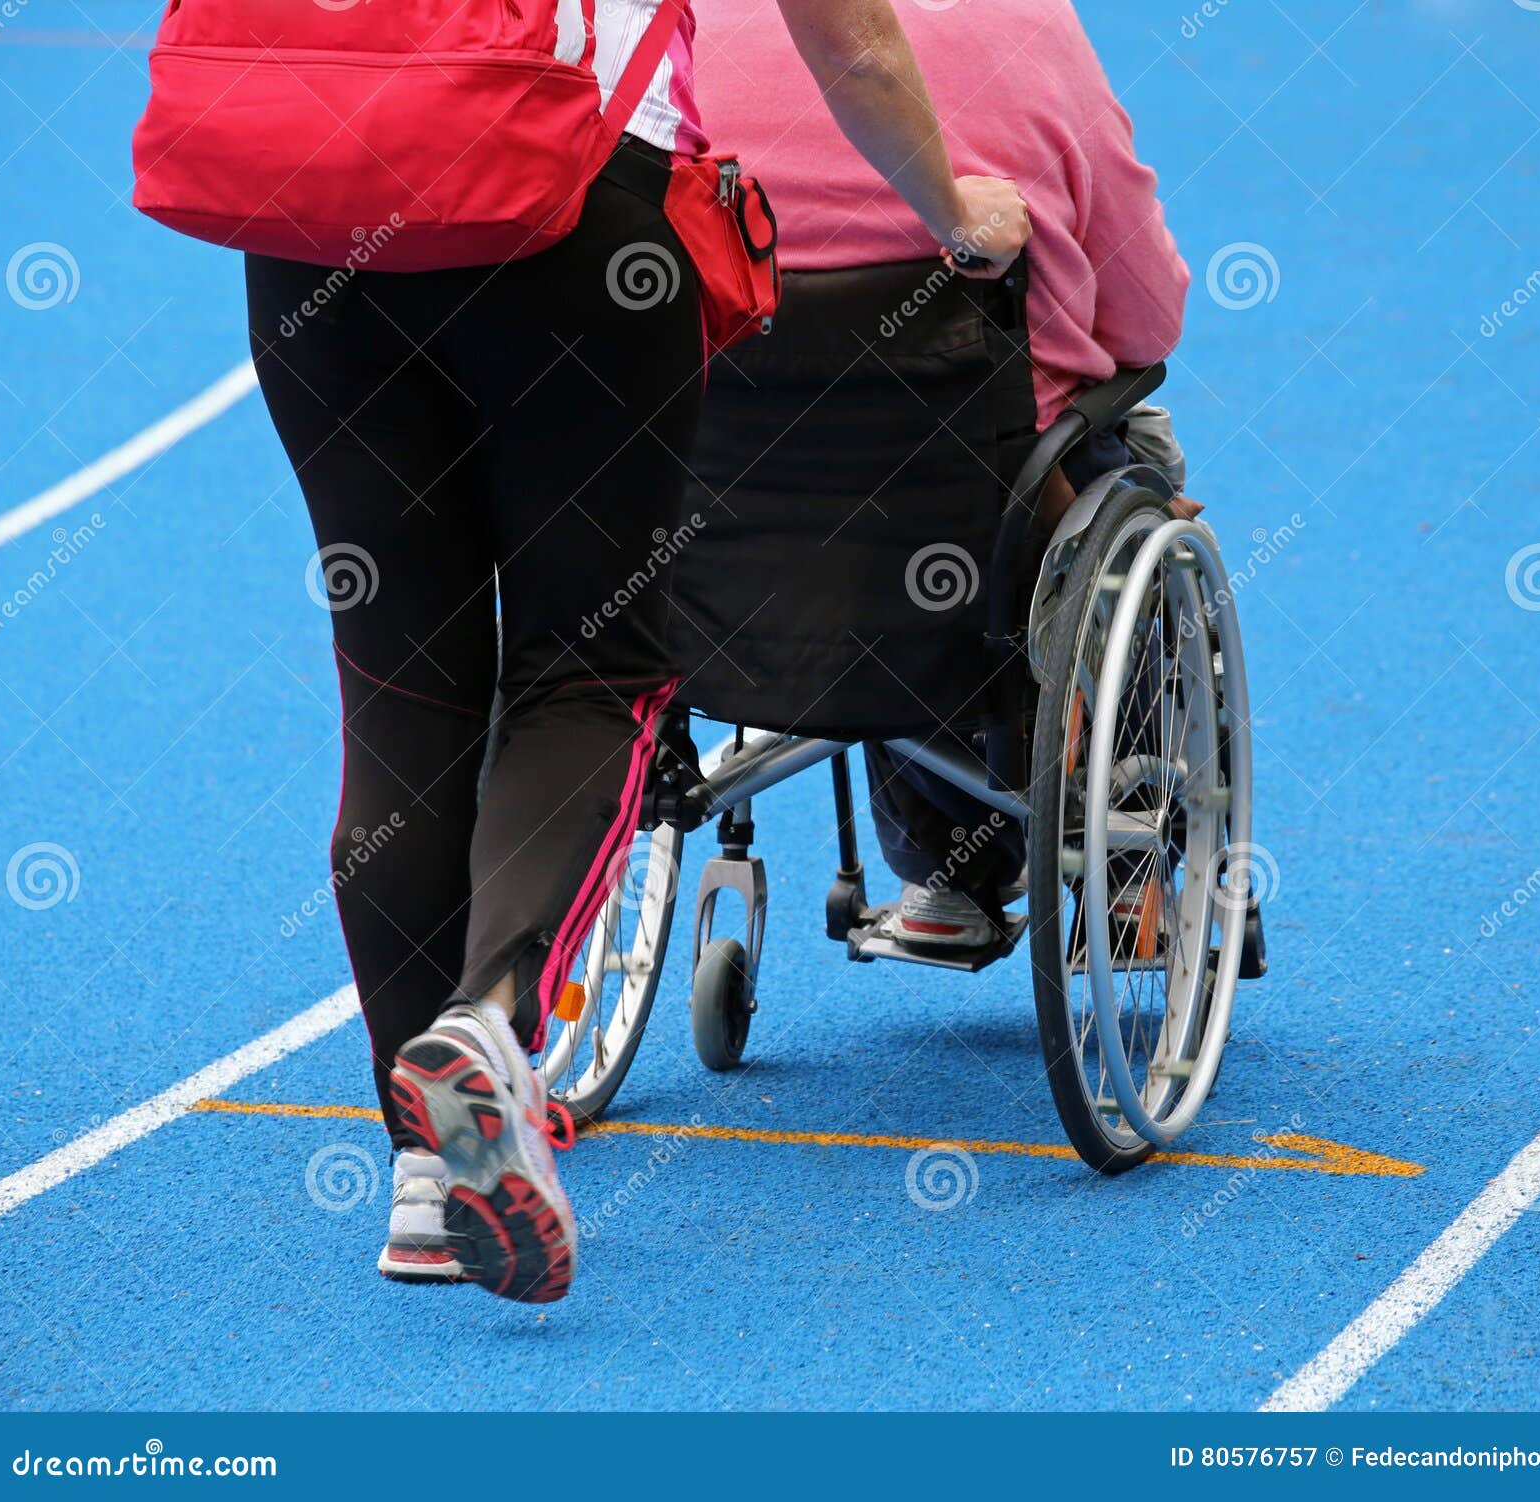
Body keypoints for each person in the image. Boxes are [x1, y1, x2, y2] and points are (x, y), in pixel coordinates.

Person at [243, 0, 1030, 1303]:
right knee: (589, 665)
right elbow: (852, 38)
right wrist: (953, 210)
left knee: (400, 683)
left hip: (313, 209)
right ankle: (490, 1018)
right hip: (569, 204)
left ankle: (428, 1184)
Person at [691, 0, 1194, 949]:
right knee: (1116, 467)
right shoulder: (1028, 27)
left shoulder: (686, 34)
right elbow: (1147, 316)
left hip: (719, 505)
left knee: (881, 479)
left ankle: (946, 867)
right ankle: (1122, 863)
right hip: (970, 511)